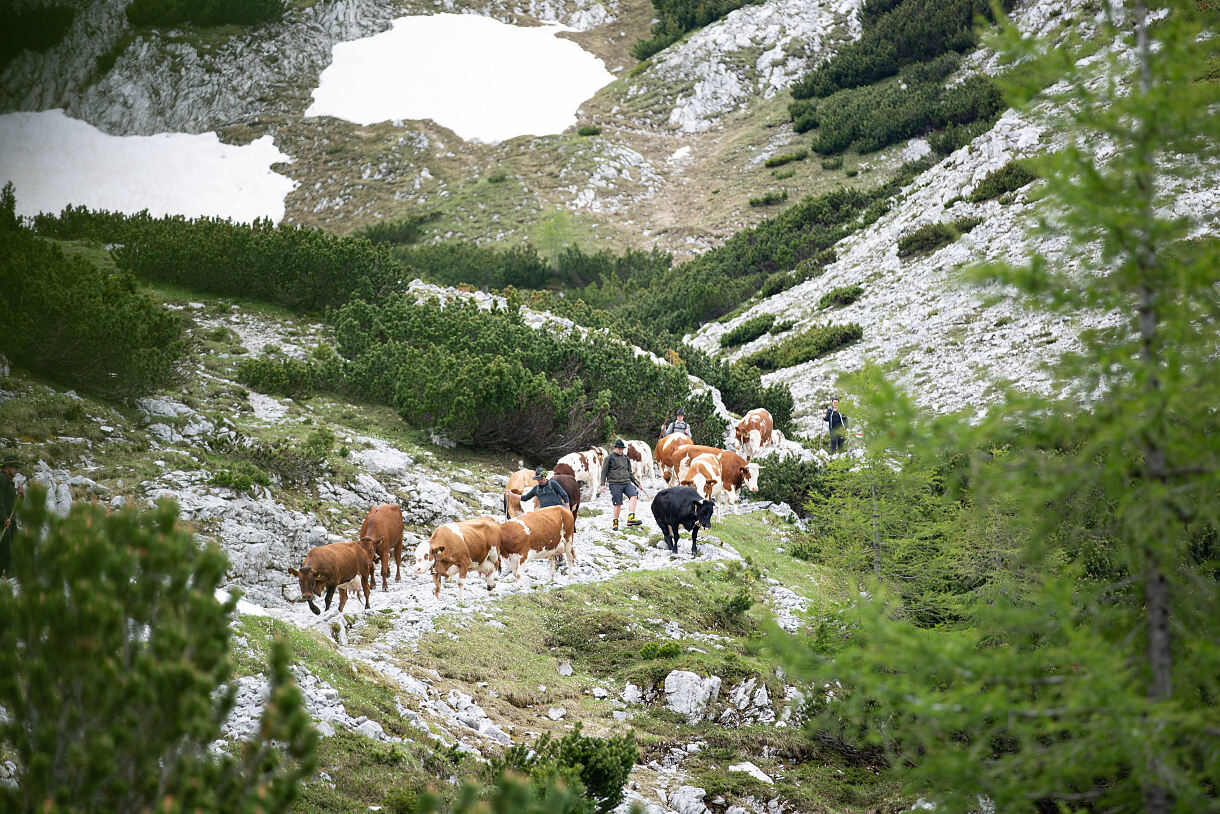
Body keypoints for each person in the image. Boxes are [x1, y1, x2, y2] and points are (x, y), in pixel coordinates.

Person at [599, 440, 642, 529]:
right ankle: (615, 522)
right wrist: (602, 484)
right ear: (615, 448)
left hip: (627, 482)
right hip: (615, 484)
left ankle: (631, 518)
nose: (620, 451)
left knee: (634, 495)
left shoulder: (626, 458)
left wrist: (638, 484)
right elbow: (603, 472)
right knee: (618, 504)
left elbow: (630, 473)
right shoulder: (609, 458)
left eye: (622, 449)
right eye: (619, 449)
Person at [1, 454, 24, 579]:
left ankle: (9, 575)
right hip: (4, 521)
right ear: (7, 467)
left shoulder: (9, 481)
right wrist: (4, 518)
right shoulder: (1, 479)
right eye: (15, 467)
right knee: (5, 550)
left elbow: (14, 505)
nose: (17, 470)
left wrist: (20, 495)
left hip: (10, 521)